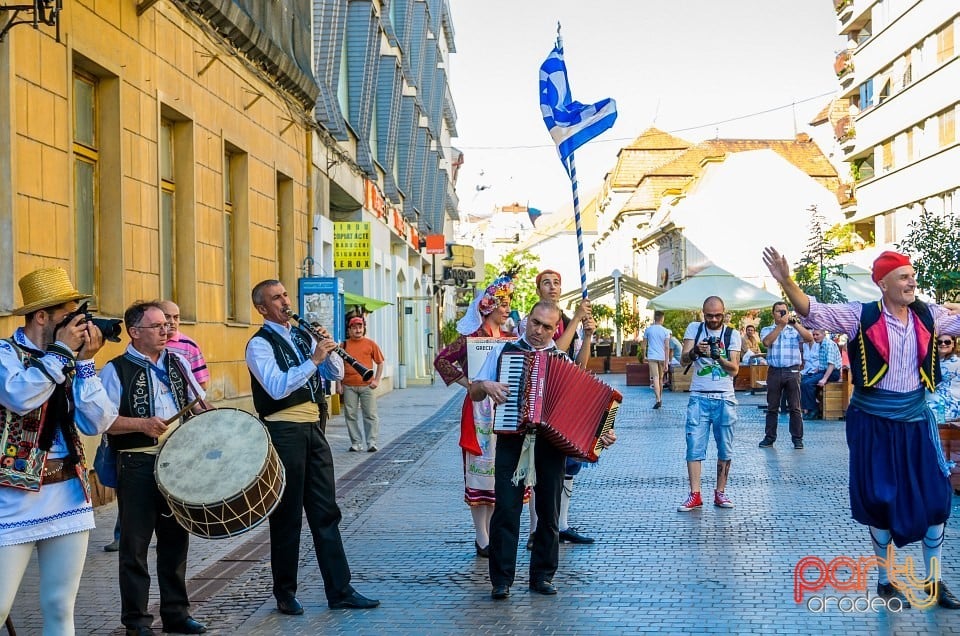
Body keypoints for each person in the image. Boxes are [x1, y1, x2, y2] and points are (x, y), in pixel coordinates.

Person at [763, 247, 960, 609]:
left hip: (916, 421)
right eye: (903, 276)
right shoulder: (860, 315)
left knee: (936, 500)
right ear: (883, 284)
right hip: (873, 423)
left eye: (912, 275)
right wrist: (785, 280)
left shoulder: (928, 315)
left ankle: (934, 581)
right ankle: (886, 580)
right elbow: (812, 310)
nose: (911, 281)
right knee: (880, 499)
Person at [245, 280, 379, 615]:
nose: (285, 302)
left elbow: (333, 374)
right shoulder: (258, 344)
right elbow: (276, 388)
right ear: (262, 308)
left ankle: (340, 589)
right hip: (283, 431)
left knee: (326, 511)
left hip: (313, 428)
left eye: (285, 295)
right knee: (287, 514)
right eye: (276, 298)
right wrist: (313, 360)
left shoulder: (302, 335)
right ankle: (285, 593)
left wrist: (325, 348)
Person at [0, 268, 119, 635]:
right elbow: (20, 396)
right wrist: (63, 353)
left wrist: (84, 364)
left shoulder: (67, 360)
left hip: (67, 492)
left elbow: (97, 422)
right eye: (70, 317)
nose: (79, 326)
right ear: (42, 317)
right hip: (12, 496)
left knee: (59, 606)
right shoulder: (5, 354)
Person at [471, 301, 613, 599]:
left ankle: (543, 576)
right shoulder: (503, 351)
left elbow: (582, 406)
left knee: (549, 511)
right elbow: (474, 390)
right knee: (507, 509)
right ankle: (501, 579)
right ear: (527, 320)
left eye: (547, 327)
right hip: (513, 438)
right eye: (535, 323)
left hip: (550, 445)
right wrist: (487, 384)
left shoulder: (562, 360)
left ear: (555, 329)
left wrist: (602, 434)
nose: (539, 331)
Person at [101, 301, 209, 636]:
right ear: (134, 332)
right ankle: (136, 620)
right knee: (135, 545)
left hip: (177, 460)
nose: (166, 331)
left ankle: (176, 613)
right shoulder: (114, 369)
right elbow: (101, 421)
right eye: (157, 326)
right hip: (136, 462)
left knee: (176, 540)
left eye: (167, 325)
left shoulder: (177, 362)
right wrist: (141, 424)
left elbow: (199, 401)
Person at [433, 273, 518, 558]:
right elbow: (442, 360)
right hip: (479, 409)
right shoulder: (471, 338)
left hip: (503, 407)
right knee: (478, 472)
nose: (507, 308)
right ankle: (481, 536)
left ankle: (491, 531)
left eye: (509, 303)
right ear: (488, 306)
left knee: (499, 471)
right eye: (502, 303)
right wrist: (467, 383)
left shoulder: (510, 338)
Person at [520, 270, 606, 548]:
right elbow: (552, 352)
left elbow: (579, 365)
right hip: (538, 400)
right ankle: (537, 529)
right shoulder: (531, 321)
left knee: (569, 464)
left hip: (565, 397)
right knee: (536, 467)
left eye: (557, 282)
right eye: (547, 282)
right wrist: (578, 319)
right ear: (538, 289)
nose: (553, 287)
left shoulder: (569, 320)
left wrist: (589, 336)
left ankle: (561, 524)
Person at [677, 296, 742, 512]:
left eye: (718, 315)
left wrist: (718, 358)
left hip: (725, 397)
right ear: (702, 313)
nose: (713, 319)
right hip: (699, 396)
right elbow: (683, 360)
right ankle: (695, 494)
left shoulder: (733, 334)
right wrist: (696, 351)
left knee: (725, 447)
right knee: (694, 445)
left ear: (725, 313)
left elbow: (734, 370)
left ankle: (720, 493)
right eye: (709, 316)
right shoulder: (694, 329)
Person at [758, 301, 813, 449]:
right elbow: (767, 342)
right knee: (772, 407)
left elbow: (809, 338)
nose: (781, 314)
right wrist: (780, 326)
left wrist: (794, 324)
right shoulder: (767, 329)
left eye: (784, 311)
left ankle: (797, 439)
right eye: (778, 311)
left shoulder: (794, 329)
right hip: (775, 370)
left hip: (792, 371)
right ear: (773, 313)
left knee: (795, 407)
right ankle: (769, 438)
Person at [337, 316, 385, 452]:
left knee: (370, 414)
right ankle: (356, 443)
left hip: (367, 385)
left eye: (360, 327)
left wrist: (376, 380)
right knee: (350, 414)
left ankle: (372, 442)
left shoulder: (370, 344)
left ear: (364, 329)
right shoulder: (343, 345)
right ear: (349, 330)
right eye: (354, 327)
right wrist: (338, 384)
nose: (358, 330)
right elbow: (338, 366)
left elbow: (380, 362)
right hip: (348, 385)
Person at [159, 300, 209, 389]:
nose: (172, 322)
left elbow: (201, 384)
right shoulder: (144, 343)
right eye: (167, 317)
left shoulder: (190, 346)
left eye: (176, 317)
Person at [798, 328, 841, 419]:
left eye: (817, 335)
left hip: (832, 372)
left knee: (807, 383)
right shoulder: (821, 344)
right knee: (804, 380)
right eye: (814, 335)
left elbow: (831, 364)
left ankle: (813, 410)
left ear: (824, 334)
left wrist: (824, 379)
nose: (815, 337)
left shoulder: (829, 345)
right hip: (823, 371)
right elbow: (823, 363)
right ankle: (808, 408)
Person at [643, 311, 671, 409]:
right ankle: (660, 398)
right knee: (660, 379)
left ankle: (658, 399)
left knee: (655, 377)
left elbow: (644, 345)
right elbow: (667, 347)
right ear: (662, 319)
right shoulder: (666, 331)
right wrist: (667, 362)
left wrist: (643, 356)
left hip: (652, 357)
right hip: (662, 358)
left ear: (654, 318)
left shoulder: (648, 330)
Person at [929, 335, 960, 421]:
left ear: (953, 344)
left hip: (949, 406)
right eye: (939, 342)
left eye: (947, 342)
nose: (943, 344)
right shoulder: (930, 363)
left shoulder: (958, 363)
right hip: (931, 403)